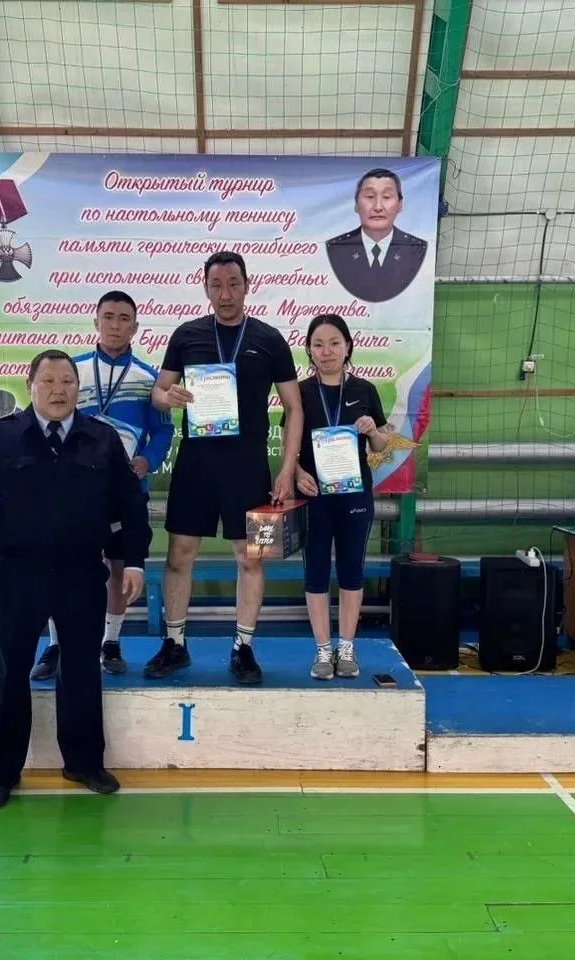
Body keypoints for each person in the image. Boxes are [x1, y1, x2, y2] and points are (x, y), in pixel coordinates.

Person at [0, 349, 150, 809]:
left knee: (81, 670)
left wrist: (134, 561)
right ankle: (0, 772)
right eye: (49, 382)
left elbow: (131, 506)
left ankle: (84, 762)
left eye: (67, 382)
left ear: (78, 388)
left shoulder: (101, 438)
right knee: (7, 672)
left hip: (81, 574)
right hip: (17, 574)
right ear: (30, 387)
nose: (59, 391)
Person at [148, 251, 303, 685]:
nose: (226, 293)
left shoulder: (269, 339)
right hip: (195, 463)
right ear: (206, 289)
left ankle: (244, 648)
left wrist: (287, 469)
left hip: (248, 465)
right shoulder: (187, 334)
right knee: (179, 554)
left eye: (234, 283)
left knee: (250, 558)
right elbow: (159, 392)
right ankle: (175, 643)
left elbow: (294, 408)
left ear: (247, 285)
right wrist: (167, 397)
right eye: (217, 285)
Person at [32, 290, 173, 680]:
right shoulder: (71, 373)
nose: (115, 325)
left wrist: (148, 460)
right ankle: (56, 643)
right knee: (63, 566)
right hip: (73, 493)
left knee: (118, 568)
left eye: (124, 318)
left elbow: (163, 431)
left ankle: (110, 642)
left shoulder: (149, 379)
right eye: (108, 317)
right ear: (96, 322)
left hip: (125, 492)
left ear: (135, 327)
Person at [287, 314, 390, 679]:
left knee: (351, 570)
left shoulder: (365, 390)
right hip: (314, 496)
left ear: (348, 347)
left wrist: (373, 431)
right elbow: (290, 445)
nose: (326, 351)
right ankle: (321, 649)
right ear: (309, 350)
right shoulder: (300, 392)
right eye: (318, 344)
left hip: (354, 496)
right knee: (315, 570)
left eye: (334, 343)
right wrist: (297, 473)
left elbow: (381, 446)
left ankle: (346, 648)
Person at [325, 168, 428, 304]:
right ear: (356, 204)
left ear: (400, 204)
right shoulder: (336, 248)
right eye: (370, 197)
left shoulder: (416, 248)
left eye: (387, 197)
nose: (378, 207)